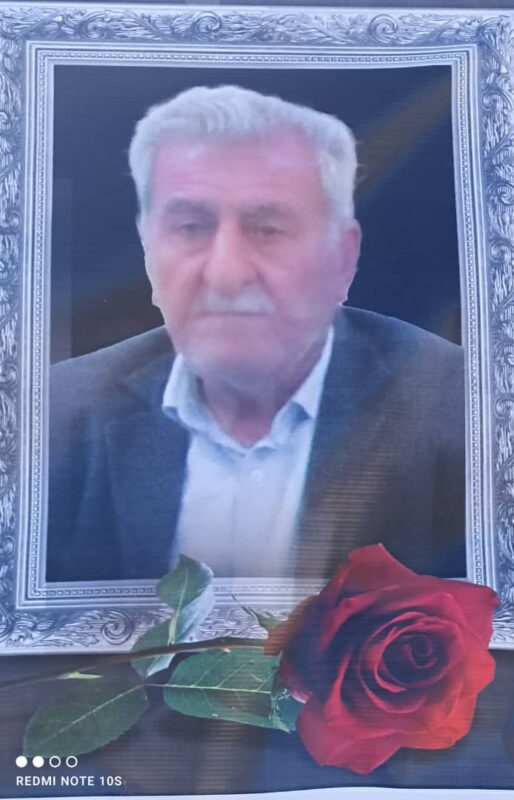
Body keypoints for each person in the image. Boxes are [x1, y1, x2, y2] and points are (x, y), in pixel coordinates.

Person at [47, 85, 465, 583]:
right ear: (148, 249)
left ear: (342, 256)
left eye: (268, 229)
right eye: (190, 227)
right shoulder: (56, 414)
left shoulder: (461, 410)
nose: (226, 273)